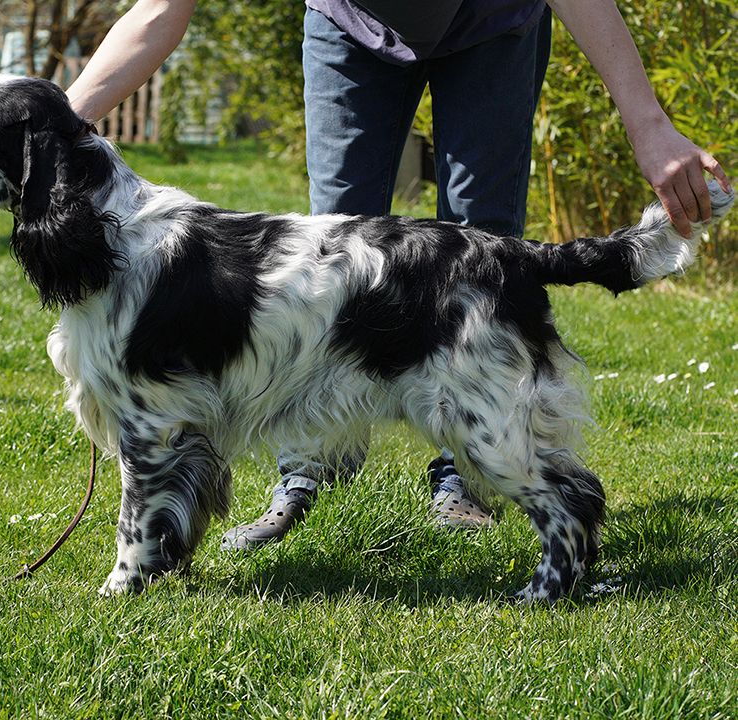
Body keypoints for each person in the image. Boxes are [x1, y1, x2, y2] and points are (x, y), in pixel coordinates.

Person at [67, 0, 731, 548]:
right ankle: (306, 471)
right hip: (350, 24)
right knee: (326, 263)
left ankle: (465, 476)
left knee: (483, 249)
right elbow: (159, 10)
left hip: (491, 21)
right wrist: (39, 133)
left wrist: (649, 127)